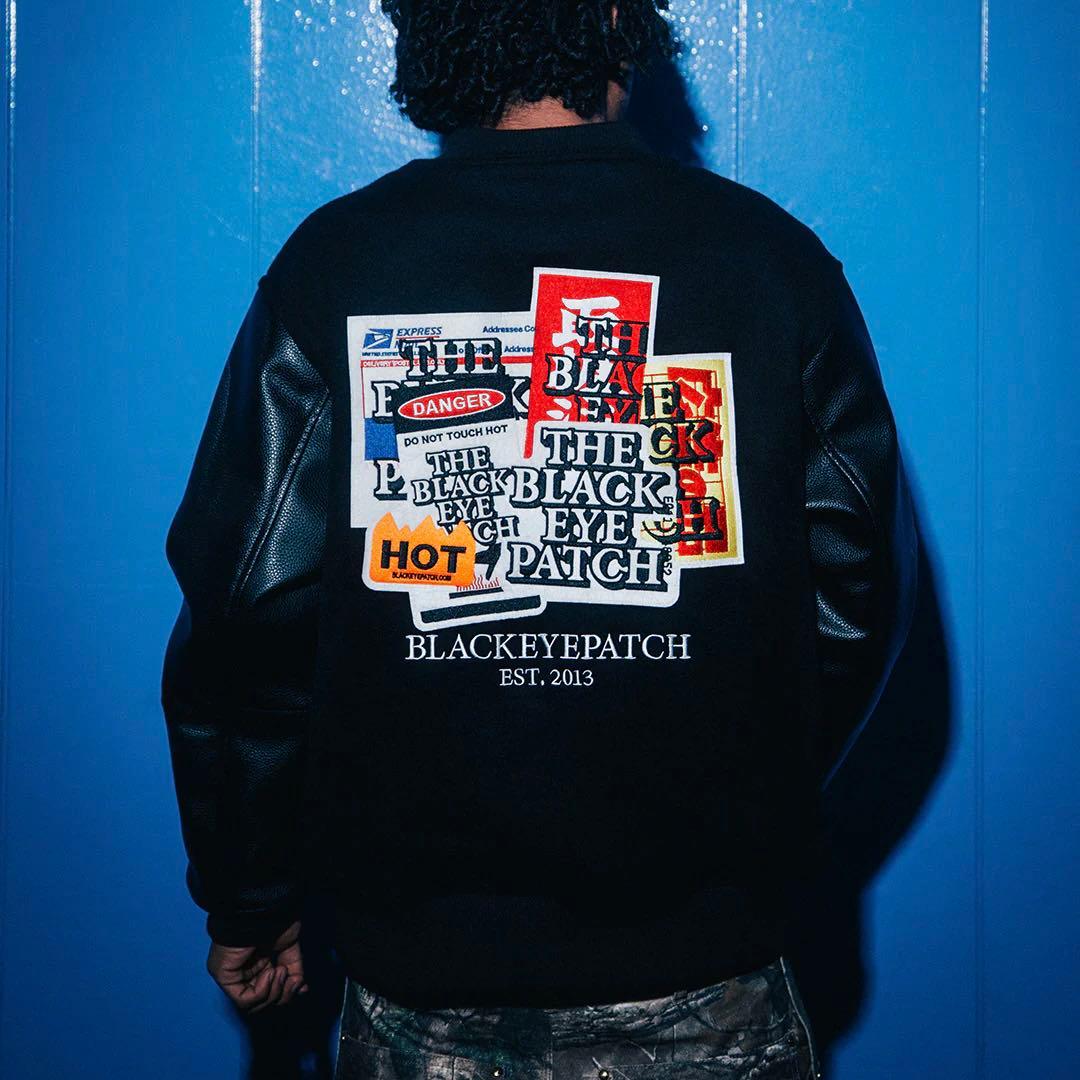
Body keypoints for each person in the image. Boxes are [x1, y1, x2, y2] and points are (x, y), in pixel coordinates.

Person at [160, 1, 918, 1077]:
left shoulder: (337, 266)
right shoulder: (771, 264)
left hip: (421, 978)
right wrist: (736, 799)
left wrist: (249, 893)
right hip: (714, 962)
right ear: (617, 17)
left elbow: (248, 620)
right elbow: (858, 599)